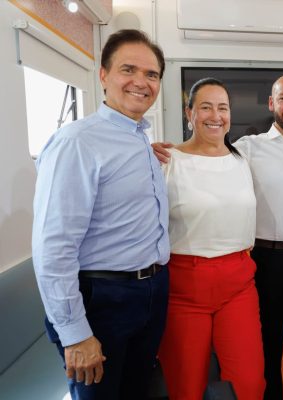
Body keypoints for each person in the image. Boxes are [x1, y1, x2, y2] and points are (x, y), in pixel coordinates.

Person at [153, 74, 283, 400]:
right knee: (265, 349)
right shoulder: (246, 149)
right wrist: (154, 152)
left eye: (222, 108)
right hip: (263, 260)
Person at [32, 29, 170, 399]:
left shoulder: (139, 139)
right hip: (102, 299)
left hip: (152, 291)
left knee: (137, 392)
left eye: (152, 74)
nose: (141, 82)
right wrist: (75, 333)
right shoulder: (76, 142)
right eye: (129, 69)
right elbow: (53, 247)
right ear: (104, 75)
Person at [157, 78, 265, 400]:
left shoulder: (241, 160)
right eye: (206, 107)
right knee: (185, 387)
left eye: (223, 108)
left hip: (239, 283)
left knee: (249, 384)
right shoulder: (167, 161)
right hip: (184, 287)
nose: (215, 116)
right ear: (189, 113)